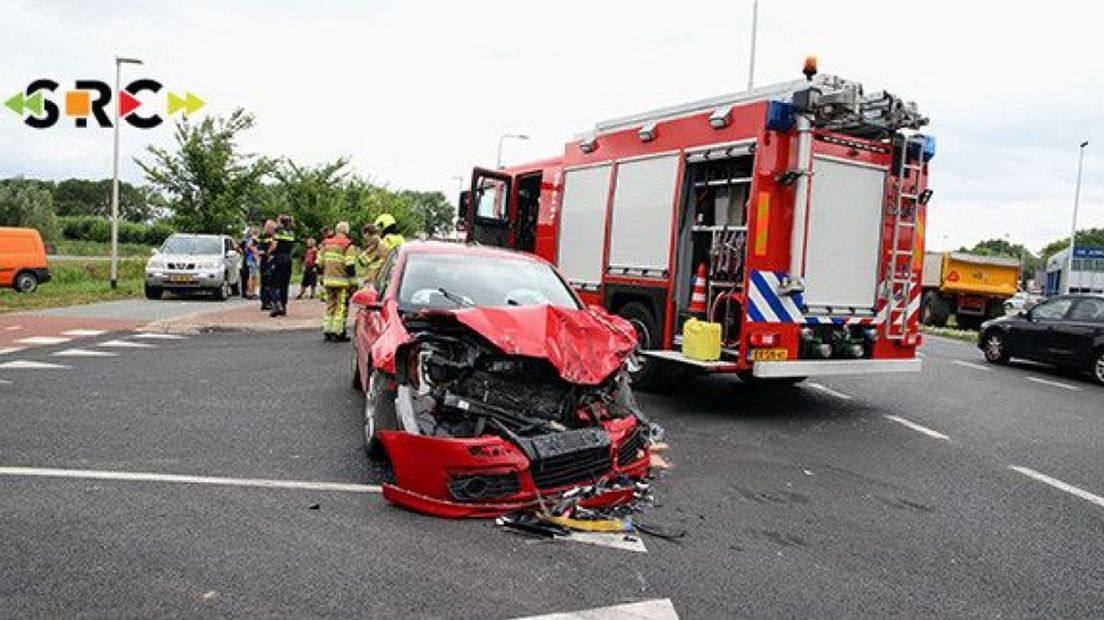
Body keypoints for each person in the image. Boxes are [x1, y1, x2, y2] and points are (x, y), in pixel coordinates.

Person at [319, 221, 358, 341]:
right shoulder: (347, 244)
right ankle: (338, 332)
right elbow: (350, 266)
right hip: (341, 282)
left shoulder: (326, 243)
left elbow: (319, 263)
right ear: (347, 231)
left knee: (330, 305)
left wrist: (321, 277)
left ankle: (327, 330)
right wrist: (354, 283)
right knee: (340, 307)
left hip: (328, 280)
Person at [268, 214, 296, 317]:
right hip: (288, 259)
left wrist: (268, 253)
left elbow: (274, 245)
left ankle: (277, 304)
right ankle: (284, 306)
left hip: (278, 258)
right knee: (285, 284)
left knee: (274, 283)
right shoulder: (291, 232)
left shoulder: (278, 231)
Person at [257, 220, 276, 310]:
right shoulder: (262, 236)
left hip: (273, 261)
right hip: (265, 262)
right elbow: (257, 247)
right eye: (271, 228)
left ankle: (270, 301)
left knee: (271, 282)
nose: (272, 230)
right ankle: (265, 302)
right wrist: (265, 253)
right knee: (266, 282)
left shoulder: (275, 235)